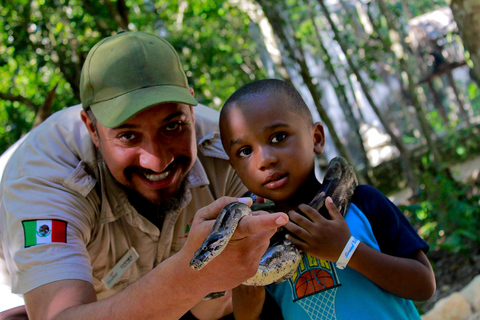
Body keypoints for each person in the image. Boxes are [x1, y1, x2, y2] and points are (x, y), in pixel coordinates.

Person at [0, 31, 290, 320]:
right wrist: (191, 278)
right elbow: (58, 315)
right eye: (128, 135)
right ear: (92, 128)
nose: (157, 160)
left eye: (173, 126)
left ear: (191, 108)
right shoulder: (44, 179)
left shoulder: (231, 144)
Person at [218, 79, 436, 319]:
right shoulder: (257, 243)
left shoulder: (362, 203)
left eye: (278, 137)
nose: (265, 159)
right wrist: (247, 284)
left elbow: (423, 285)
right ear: (235, 168)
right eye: (245, 151)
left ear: (317, 138)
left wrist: (347, 250)